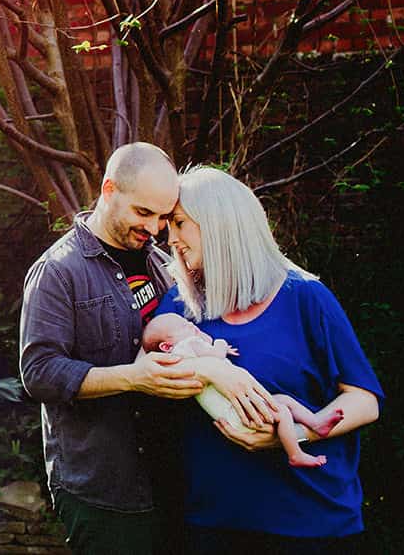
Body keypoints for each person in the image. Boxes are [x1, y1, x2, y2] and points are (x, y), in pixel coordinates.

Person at [19, 143, 274, 555]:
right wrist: (134, 378)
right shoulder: (58, 271)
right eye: (143, 213)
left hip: (173, 476)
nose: (155, 228)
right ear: (108, 190)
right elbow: (39, 372)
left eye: (163, 216)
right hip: (103, 487)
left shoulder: (161, 265)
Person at [161, 166, 383, 554]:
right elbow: (146, 371)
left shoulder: (305, 297)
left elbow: (365, 400)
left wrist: (291, 437)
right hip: (215, 522)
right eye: (168, 226)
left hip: (309, 521)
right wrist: (207, 366)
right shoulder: (180, 308)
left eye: (179, 223)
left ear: (220, 222)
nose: (171, 238)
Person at [142, 311, 345, 468]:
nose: (192, 326)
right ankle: (295, 454)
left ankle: (316, 423)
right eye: (184, 326)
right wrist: (220, 343)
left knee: (283, 401)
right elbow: (216, 352)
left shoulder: (176, 361)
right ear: (166, 347)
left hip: (233, 416)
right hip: (240, 412)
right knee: (282, 410)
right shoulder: (187, 346)